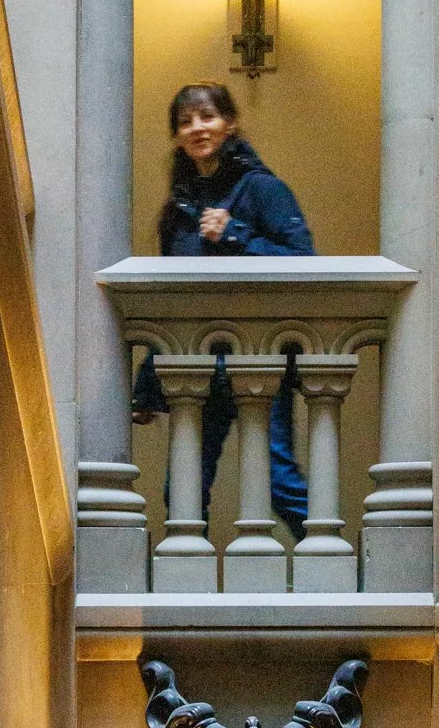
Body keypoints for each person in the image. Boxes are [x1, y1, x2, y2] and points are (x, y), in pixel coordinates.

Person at [134, 83, 313, 535]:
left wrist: (236, 235)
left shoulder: (261, 189)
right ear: (176, 135)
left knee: (278, 482)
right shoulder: (177, 208)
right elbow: (173, 302)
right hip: (195, 364)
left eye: (207, 117)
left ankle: (339, 574)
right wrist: (148, 380)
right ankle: (184, 590)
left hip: (261, 358)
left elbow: (305, 261)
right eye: (185, 121)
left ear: (230, 124)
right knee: (184, 491)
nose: (197, 128)